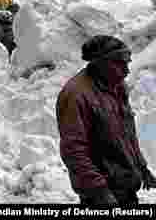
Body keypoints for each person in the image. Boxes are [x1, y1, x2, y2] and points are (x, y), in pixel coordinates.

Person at [57, 35, 156, 206]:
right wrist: (99, 191)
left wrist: (141, 167)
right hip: (102, 195)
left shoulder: (116, 86)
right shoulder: (76, 95)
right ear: (100, 63)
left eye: (127, 63)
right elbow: (73, 150)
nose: (127, 71)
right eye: (120, 64)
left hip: (125, 187)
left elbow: (126, 134)